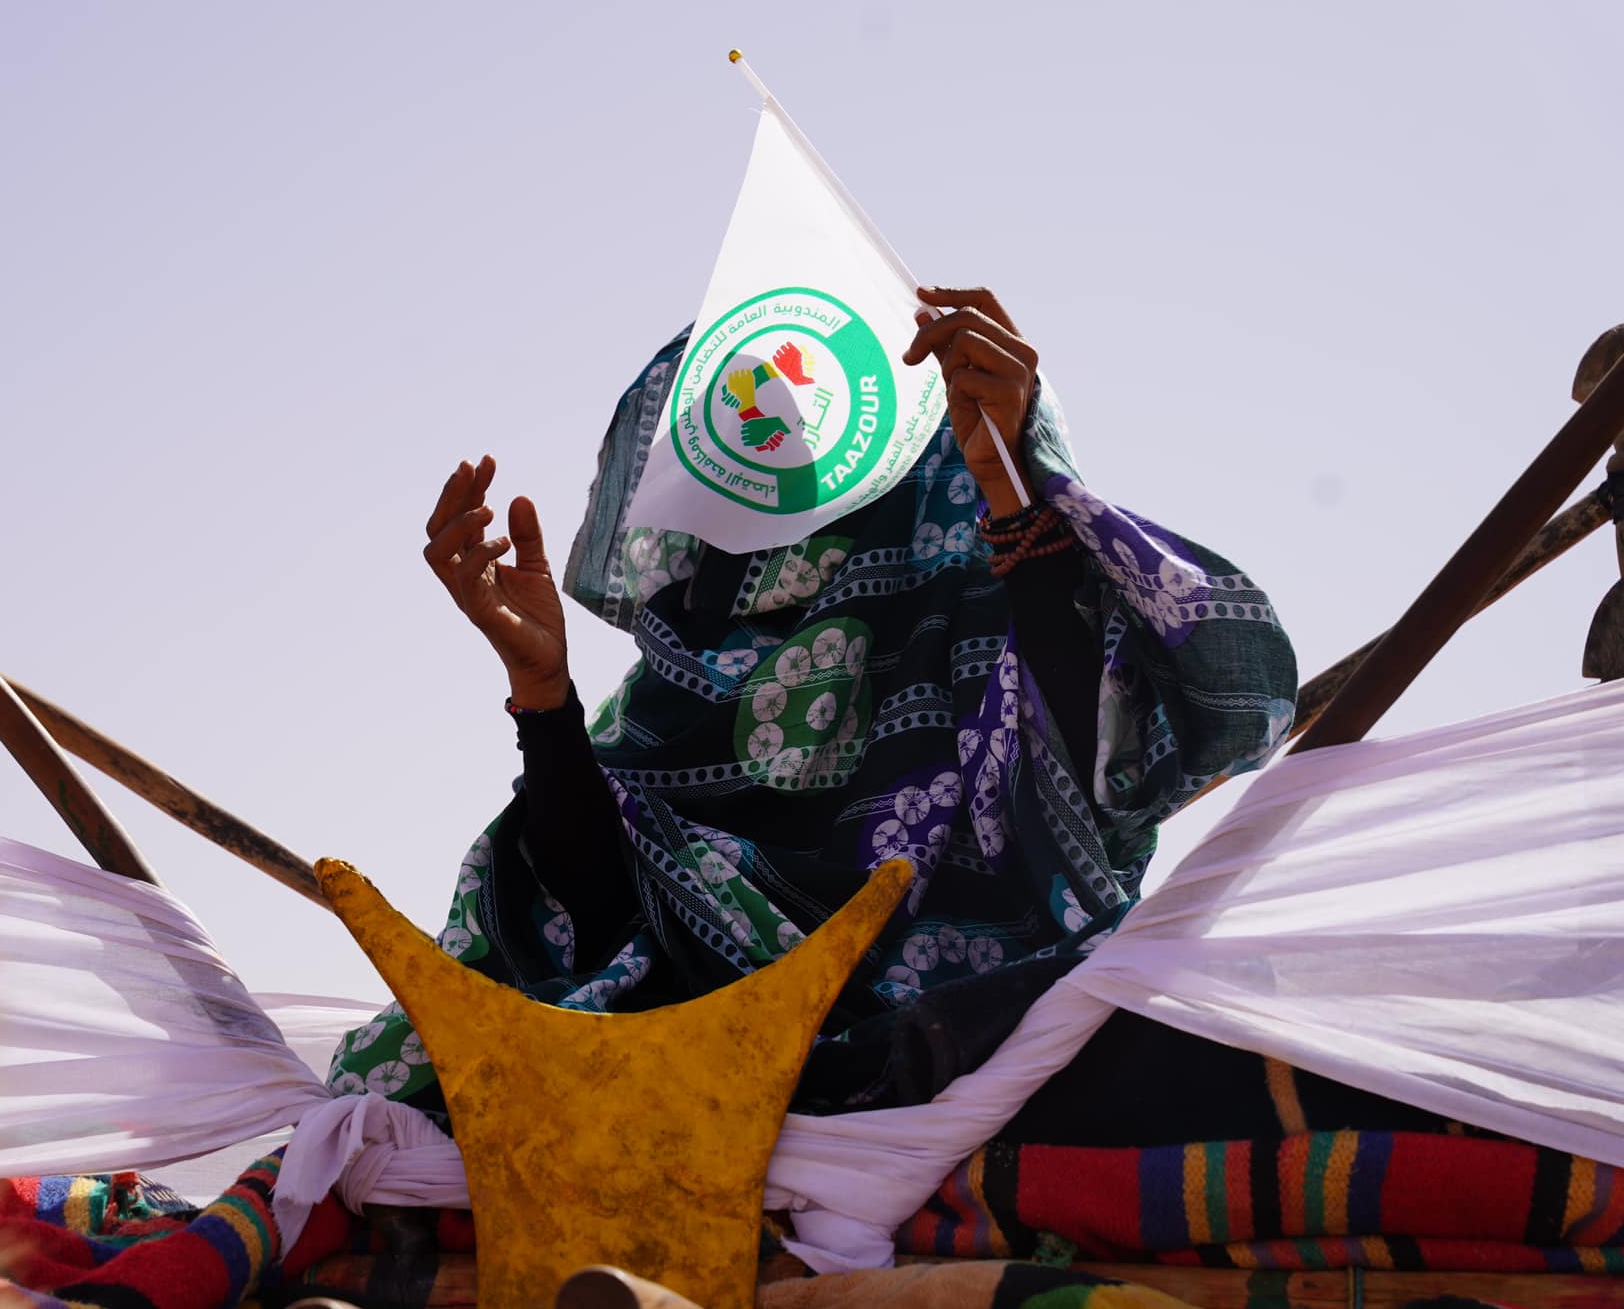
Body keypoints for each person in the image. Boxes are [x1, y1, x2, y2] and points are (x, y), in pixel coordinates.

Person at [329, 288, 1298, 1117]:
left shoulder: (989, 637)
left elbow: (1111, 762)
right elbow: (602, 916)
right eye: (717, 457)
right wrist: (542, 694)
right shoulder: (676, 689)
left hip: (970, 1061)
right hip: (679, 1082)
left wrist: (1013, 486)